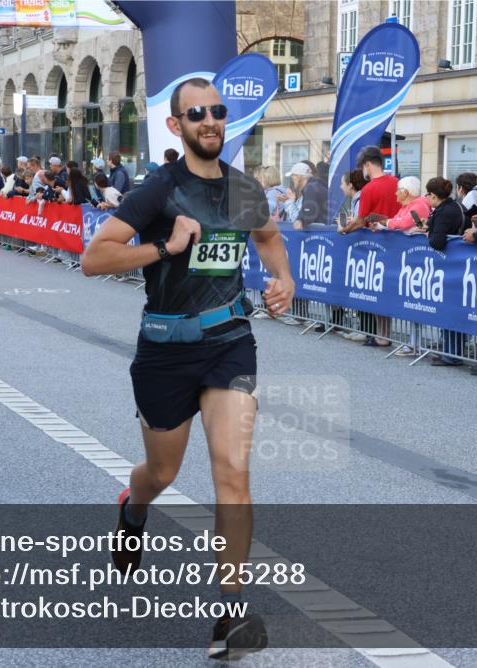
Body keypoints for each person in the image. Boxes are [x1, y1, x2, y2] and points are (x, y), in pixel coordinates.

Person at [80, 77, 292, 660]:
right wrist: (164, 249)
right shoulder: (157, 190)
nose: (210, 120)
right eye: (196, 113)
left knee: (233, 470)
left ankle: (228, 613)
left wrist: (284, 279)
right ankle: (133, 506)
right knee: (161, 472)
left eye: (218, 112)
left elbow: (269, 239)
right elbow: (93, 258)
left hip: (230, 341)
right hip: (165, 350)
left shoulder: (244, 189)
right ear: (176, 125)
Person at [339, 145, 399, 347]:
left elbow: (359, 221)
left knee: (375, 289)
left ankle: (381, 336)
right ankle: (384, 335)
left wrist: (344, 230)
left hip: (375, 246)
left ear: (367, 165)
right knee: (388, 290)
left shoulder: (369, 188)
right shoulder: (396, 182)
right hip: (397, 242)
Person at [419, 177, 467, 366]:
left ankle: (452, 354)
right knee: (452, 309)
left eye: (428, 194)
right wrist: (430, 226)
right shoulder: (453, 206)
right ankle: (451, 351)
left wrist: (429, 233)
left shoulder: (444, 211)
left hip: (449, 265)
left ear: (433, 195)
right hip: (455, 263)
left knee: (450, 309)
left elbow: (438, 242)